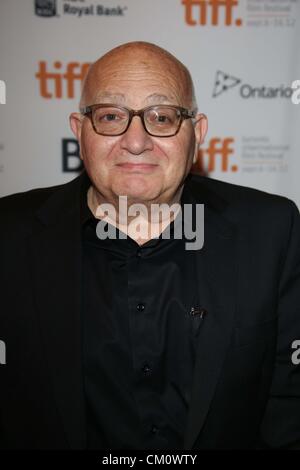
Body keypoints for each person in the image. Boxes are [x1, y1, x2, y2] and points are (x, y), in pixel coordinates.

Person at [0, 41, 299, 450]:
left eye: (162, 117)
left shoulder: (271, 229)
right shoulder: (9, 235)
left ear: (197, 134)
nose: (136, 141)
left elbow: (289, 399)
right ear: (79, 130)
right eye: (110, 116)